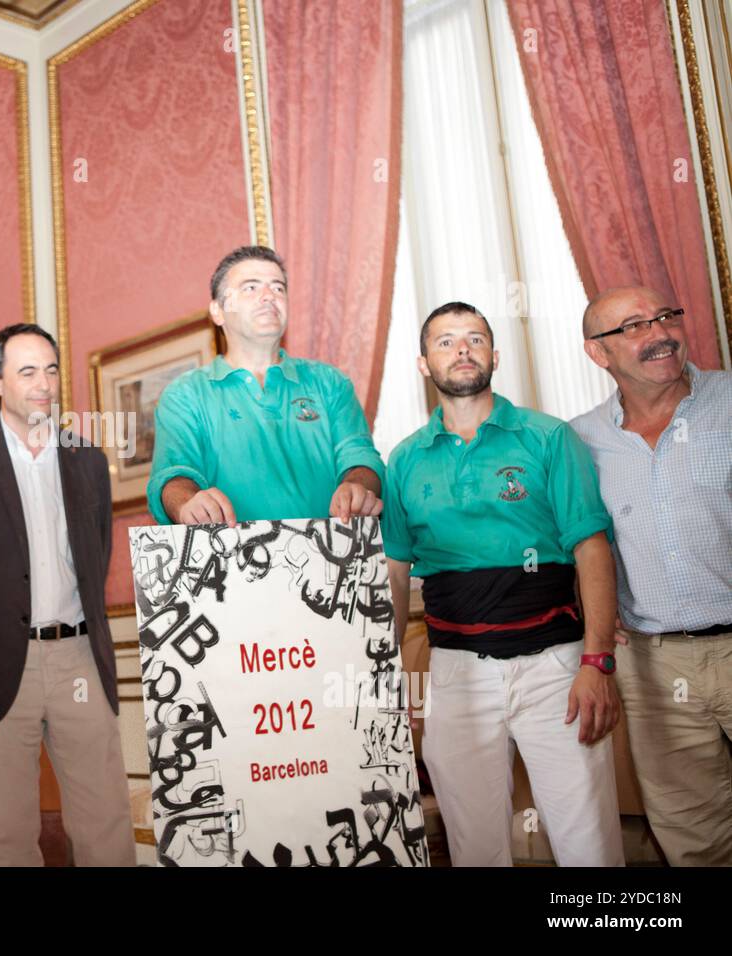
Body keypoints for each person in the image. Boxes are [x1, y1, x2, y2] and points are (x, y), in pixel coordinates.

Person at [383, 301, 624, 867]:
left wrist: (598, 663)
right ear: (423, 364)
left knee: (587, 843)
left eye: (474, 338)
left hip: (558, 669)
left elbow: (592, 546)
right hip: (455, 674)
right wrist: (384, 675)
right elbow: (395, 572)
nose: (461, 349)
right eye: (445, 341)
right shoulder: (404, 460)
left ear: (495, 354)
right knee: (475, 849)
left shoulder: (547, 438)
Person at [0, 324, 135, 866]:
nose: (44, 384)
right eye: (27, 372)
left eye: (51, 369)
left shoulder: (88, 460)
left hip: (79, 659)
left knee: (106, 820)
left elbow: (96, 559)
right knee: (9, 832)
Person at [571, 286, 732, 865]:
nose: (659, 332)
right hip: (653, 666)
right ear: (599, 353)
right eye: (634, 326)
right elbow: (579, 542)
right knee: (694, 834)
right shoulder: (580, 441)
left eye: (666, 316)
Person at [147, 245, 385, 525]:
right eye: (250, 287)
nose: (269, 296)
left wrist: (359, 487)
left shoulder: (330, 383)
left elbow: (360, 458)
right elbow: (174, 473)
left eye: (278, 288)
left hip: (335, 559)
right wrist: (187, 502)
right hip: (231, 561)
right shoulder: (184, 395)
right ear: (218, 311)